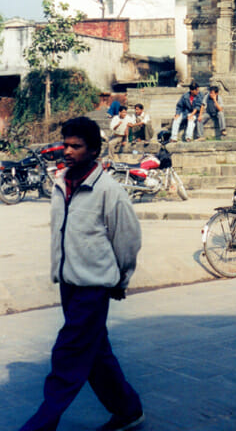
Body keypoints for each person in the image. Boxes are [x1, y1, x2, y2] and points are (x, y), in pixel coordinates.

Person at [18, 117, 143, 431]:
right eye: (67, 144)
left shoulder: (109, 191)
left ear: (93, 150)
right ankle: (128, 410)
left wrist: (121, 280)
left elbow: (128, 239)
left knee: (68, 355)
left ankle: (40, 425)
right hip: (69, 284)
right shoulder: (61, 183)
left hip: (94, 287)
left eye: (77, 146)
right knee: (96, 352)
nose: (69, 151)